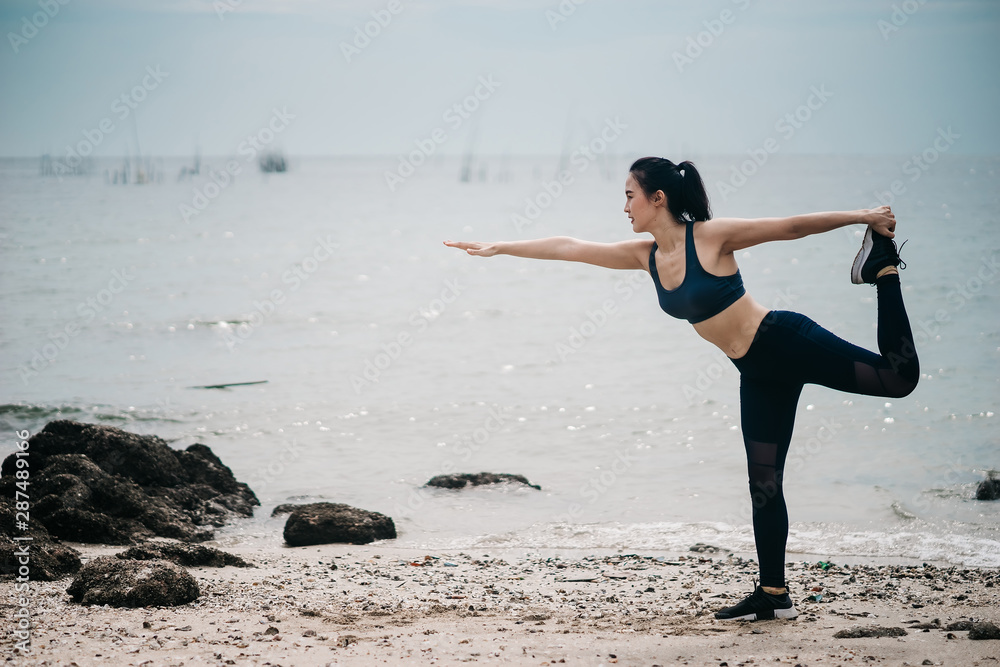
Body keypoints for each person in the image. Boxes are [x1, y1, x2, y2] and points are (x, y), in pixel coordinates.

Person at [444, 157, 919, 622]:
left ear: (658, 198)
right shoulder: (644, 256)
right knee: (763, 483)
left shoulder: (710, 237)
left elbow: (789, 227)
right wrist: (502, 247)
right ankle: (773, 593)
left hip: (785, 340)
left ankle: (882, 269)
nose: (625, 207)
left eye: (630, 196)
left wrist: (863, 216)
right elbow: (570, 247)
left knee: (899, 380)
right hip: (755, 370)